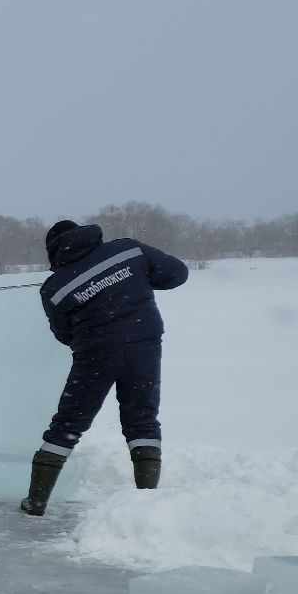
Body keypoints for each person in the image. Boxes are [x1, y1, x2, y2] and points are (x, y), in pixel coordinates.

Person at [22, 220, 189, 515]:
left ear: (54, 251)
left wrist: (96, 330)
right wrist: (135, 283)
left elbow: (63, 334)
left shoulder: (54, 287)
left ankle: (35, 502)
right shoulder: (128, 250)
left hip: (95, 355)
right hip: (143, 343)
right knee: (142, 419)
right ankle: (146, 504)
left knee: (68, 424)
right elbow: (177, 273)